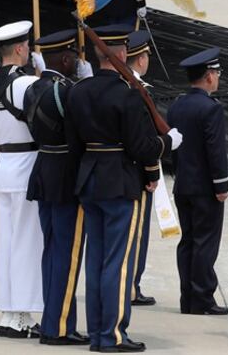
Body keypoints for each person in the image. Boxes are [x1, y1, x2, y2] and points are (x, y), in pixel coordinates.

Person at [64, 25, 180, 353]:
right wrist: (168, 142)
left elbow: (74, 144)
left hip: (90, 179)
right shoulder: (128, 94)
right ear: (123, 54)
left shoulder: (79, 91)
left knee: (97, 260)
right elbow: (142, 147)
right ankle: (111, 334)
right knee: (118, 262)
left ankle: (98, 329)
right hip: (120, 182)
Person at [23, 29, 91, 346]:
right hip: (66, 173)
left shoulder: (33, 88)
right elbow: (82, 134)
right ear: (65, 59)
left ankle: (53, 320)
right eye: (74, 59)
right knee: (67, 251)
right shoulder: (67, 91)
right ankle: (59, 326)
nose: (77, 64)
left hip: (43, 170)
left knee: (51, 250)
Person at [0, 20, 43, 338]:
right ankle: (18, 313)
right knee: (25, 242)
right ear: (21, 49)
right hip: (25, 164)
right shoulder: (25, 85)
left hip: (4, 163)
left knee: (9, 241)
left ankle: (11, 312)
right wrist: (44, 77)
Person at [167, 47, 228, 316]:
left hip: (183, 183)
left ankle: (188, 297)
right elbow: (214, 150)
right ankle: (203, 297)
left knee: (189, 241)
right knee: (206, 242)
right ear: (208, 77)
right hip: (205, 187)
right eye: (216, 73)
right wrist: (221, 185)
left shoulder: (177, 105)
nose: (217, 78)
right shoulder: (210, 109)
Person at [126, 30, 156, 307]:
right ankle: (131, 285)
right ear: (141, 58)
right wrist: (152, 172)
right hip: (135, 174)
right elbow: (145, 137)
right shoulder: (137, 91)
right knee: (136, 233)